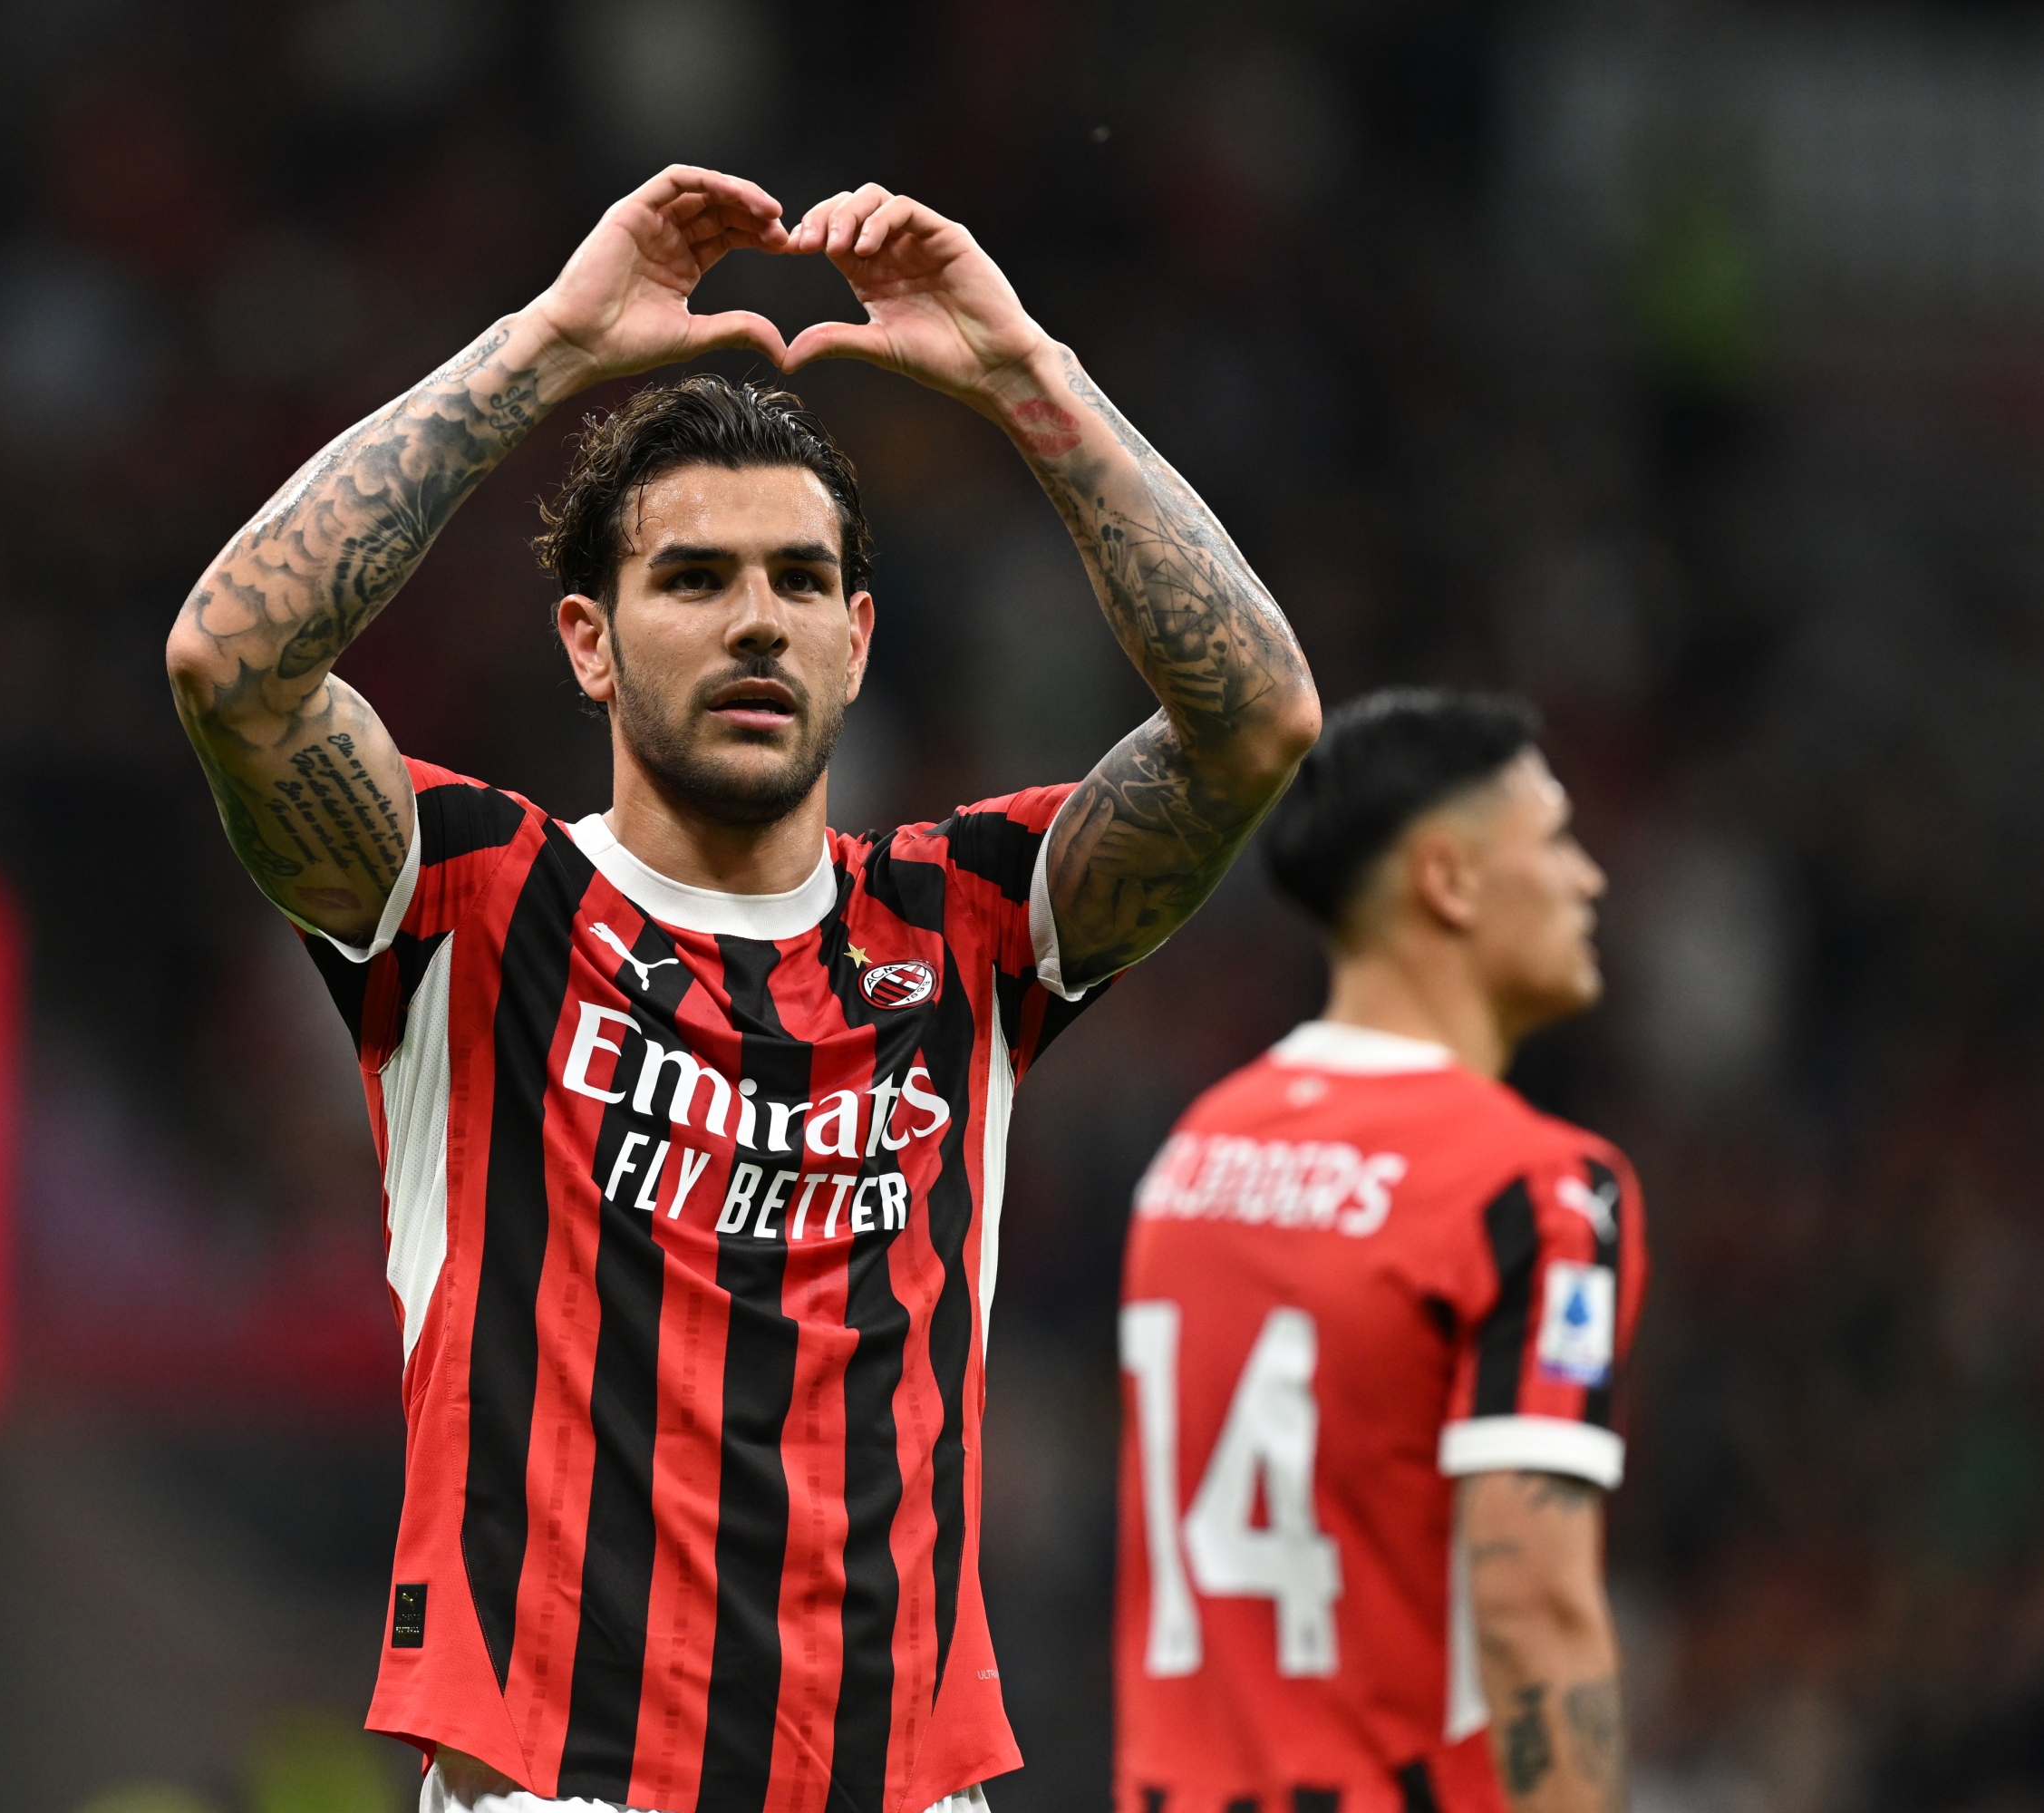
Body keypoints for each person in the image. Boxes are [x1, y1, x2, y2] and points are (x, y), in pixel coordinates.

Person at [163, 166, 1319, 1813]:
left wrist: (1024, 376)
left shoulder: (967, 926)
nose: (753, 624)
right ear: (587, 637)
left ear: (857, 637)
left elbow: (1261, 724)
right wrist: (548, 347)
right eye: (693, 580)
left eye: (794, 583)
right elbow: (232, 668)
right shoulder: (470, 903)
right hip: (559, 1789)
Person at [1112, 689, 1647, 1813]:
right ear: (1448, 879)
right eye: (1554, 839)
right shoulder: (1538, 1185)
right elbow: (1531, 1604)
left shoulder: (1196, 1154)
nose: (1588, 878)